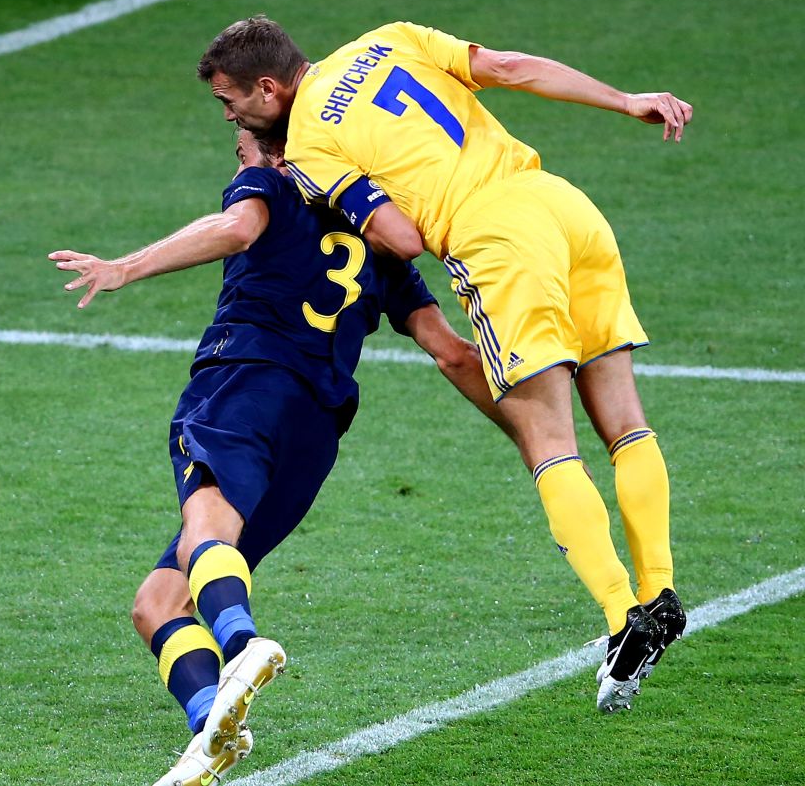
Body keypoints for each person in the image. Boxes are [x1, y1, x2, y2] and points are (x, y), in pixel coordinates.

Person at [195, 17, 689, 712]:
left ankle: (620, 614)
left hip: (499, 238)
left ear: (269, 89)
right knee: (626, 423)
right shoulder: (385, 39)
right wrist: (627, 99)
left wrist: (356, 205)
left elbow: (405, 237)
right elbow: (513, 66)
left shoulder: (308, 143)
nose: (229, 115)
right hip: (565, 206)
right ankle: (659, 587)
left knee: (547, 436)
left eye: (231, 102)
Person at [49, 130, 505, 785]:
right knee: (158, 599)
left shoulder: (273, 183)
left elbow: (237, 227)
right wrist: (535, 440)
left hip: (245, 388)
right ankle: (213, 729)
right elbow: (453, 352)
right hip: (312, 440)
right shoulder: (381, 247)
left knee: (205, 530)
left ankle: (242, 644)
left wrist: (127, 266)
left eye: (242, 149)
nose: (238, 162)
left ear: (284, 150)